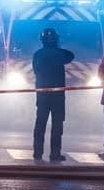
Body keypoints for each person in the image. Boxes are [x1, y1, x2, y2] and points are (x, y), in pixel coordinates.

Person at [32, 27, 74, 162]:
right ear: (56, 39)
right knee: (57, 126)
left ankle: (37, 153)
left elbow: (35, 71)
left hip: (43, 95)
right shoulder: (60, 54)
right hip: (58, 97)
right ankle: (55, 154)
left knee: (40, 124)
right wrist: (58, 46)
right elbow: (70, 55)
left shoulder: (37, 55)